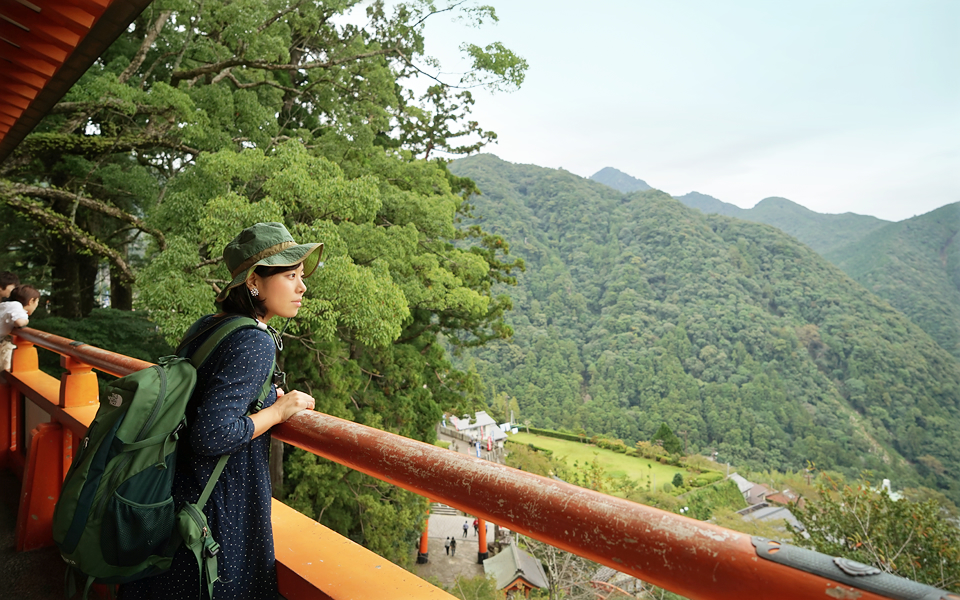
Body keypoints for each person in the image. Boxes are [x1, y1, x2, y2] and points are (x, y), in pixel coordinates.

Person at [119, 222, 321, 600]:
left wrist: (261, 397)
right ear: (254, 283)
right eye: (290, 275)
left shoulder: (209, 325)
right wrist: (277, 412)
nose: (301, 286)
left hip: (178, 490)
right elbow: (212, 433)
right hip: (217, 505)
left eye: (301, 275)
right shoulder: (254, 341)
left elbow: (206, 394)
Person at [0, 285, 39, 371]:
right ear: (31, 301)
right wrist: (26, 321)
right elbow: (19, 322)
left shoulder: (4, 305)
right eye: (37, 302)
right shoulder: (16, 306)